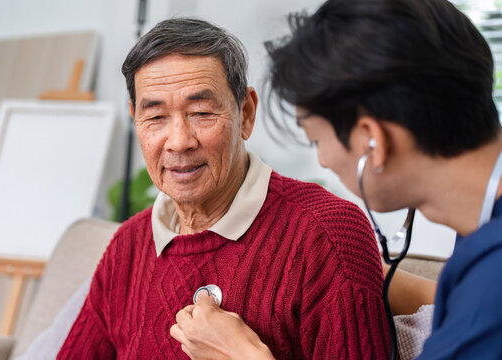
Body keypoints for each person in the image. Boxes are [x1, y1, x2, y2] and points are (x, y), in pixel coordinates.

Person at [171, 0, 502, 359]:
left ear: (371, 140)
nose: (325, 161)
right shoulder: (479, 245)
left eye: (317, 139)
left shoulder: (491, 283)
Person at [57, 17, 391, 359]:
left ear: (245, 113)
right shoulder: (127, 247)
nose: (178, 141)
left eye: (201, 112)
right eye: (156, 117)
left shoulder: (326, 234)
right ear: (135, 120)